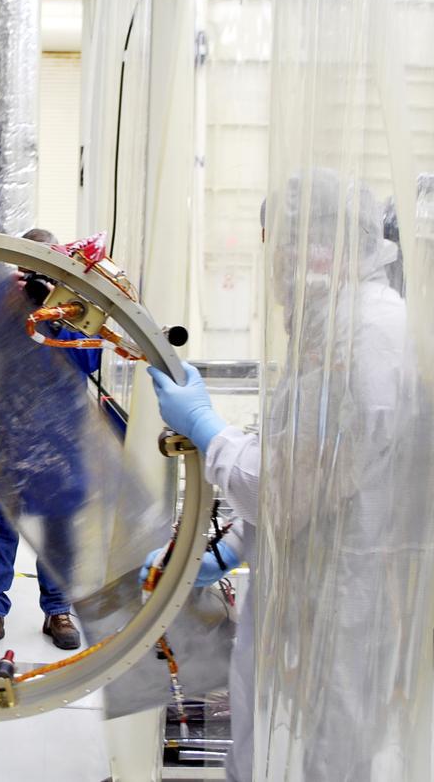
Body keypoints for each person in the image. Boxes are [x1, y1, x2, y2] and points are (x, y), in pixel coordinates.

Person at [146, 169, 408, 781]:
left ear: (325, 246)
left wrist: (207, 429)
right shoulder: (336, 323)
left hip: (345, 596)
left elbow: (288, 484)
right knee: (269, 735)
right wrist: (232, 545)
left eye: (285, 247)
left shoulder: (370, 335)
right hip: (312, 580)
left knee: (328, 750)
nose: (279, 271)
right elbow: (316, 473)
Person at [0, 228, 101, 655]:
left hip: (58, 435)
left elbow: (90, 357)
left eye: (43, 268)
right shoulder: (4, 296)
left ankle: (58, 609)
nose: (35, 277)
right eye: (27, 269)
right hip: (7, 429)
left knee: (59, 527)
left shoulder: (76, 301)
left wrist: (55, 310)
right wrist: (13, 304)